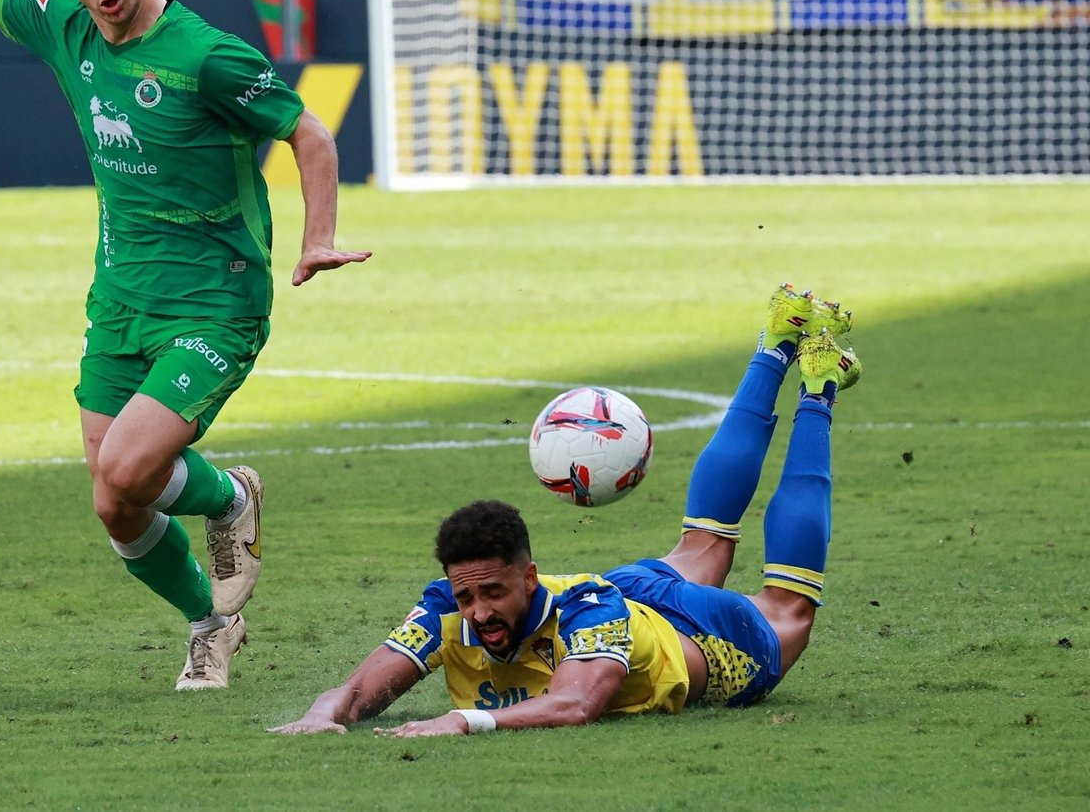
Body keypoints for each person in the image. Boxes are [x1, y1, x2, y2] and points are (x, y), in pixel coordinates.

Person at [0, 0, 371, 691]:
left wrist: (317, 237)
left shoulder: (206, 57)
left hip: (216, 303)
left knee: (132, 468)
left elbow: (308, 132)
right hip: (121, 301)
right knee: (112, 499)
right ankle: (211, 622)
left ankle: (230, 498)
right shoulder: (67, 28)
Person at [273, 285, 860, 736]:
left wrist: (464, 720)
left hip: (700, 638)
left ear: (530, 577)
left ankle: (817, 387)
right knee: (702, 544)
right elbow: (354, 694)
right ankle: (779, 339)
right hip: (628, 593)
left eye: (493, 594)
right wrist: (323, 714)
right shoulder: (446, 609)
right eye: (467, 597)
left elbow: (576, 704)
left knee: (788, 611)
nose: (478, 612)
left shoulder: (587, 614)